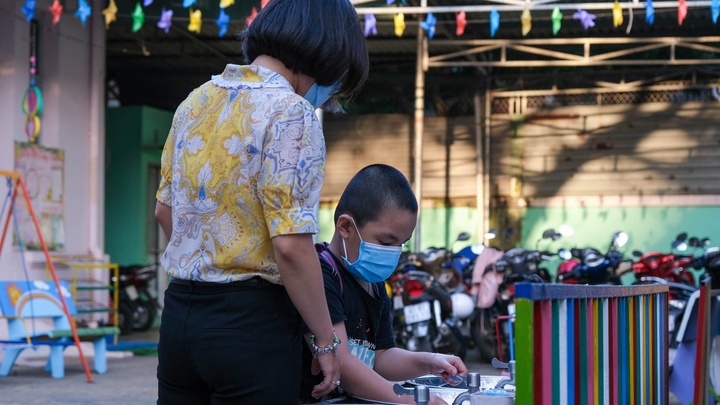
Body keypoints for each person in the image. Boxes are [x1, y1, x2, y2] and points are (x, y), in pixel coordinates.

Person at [153, 0, 369, 403]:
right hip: (251, 325)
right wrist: (326, 343)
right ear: (329, 52)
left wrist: (209, 264)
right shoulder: (291, 112)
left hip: (180, 318)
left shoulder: (195, 102)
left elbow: (165, 212)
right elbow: (290, 245)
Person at [299, 164, 468, 405]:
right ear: (346, 227)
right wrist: (411, 400)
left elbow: (379, 357)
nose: (393, 253)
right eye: (386, 242)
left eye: (402, 244)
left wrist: (429, 361)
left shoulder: (373, 282)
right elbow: (342, 363)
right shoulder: (321, 276)